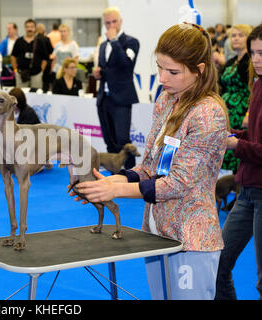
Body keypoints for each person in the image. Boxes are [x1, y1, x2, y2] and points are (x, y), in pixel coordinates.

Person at [70, 23, 228, 300]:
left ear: (199, 69)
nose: (162, 78)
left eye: (173, 71)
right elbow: (151, 167)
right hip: (156, 232)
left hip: (191, 239)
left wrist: (116, 190)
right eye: (159, 68)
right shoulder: (166, 101)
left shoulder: (208, 113)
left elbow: (177, 183)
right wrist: (110, 182)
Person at [215, 24, 262, 300]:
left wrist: (237, 145)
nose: (256, 59)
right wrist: (236, 134)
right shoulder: (257, 85)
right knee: (219, 264)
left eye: (261, 53)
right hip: (246, 193)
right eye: (254, 52)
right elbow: (256, 135)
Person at [94, 7, 139, 169]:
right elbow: (106, 68)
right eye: (108, 23)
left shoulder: (131, 42)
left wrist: (114, 41)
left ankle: (132, 175)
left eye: (114, 22)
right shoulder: (102, 45)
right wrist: (98, 73)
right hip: (104, 98)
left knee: (123, 140)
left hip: (121, 99)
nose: (111, 26)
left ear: (120, 21)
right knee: (109, 140)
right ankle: (114, 175)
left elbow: (126, 66)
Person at [220, 24, 253, 174]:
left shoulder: (252, 62)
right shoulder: (231, 61)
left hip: (243, 112)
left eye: (241, 35)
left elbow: (254, 90)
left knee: (239, 151)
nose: (236, 38)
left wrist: (248, 114)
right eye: (233, 36)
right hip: (227, 112)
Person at [11, 19, 50, 89]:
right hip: (21, 74)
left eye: (31, 27)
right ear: (25, 28)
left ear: (35, 28)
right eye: (27, 27)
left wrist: (41, 70)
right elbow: (13, 56)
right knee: (21, 95)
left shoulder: (40, 41)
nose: (29, 29)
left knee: (36, 96)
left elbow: (45, 58)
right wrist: (15, 70)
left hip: (36, 74)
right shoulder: (19, 41)